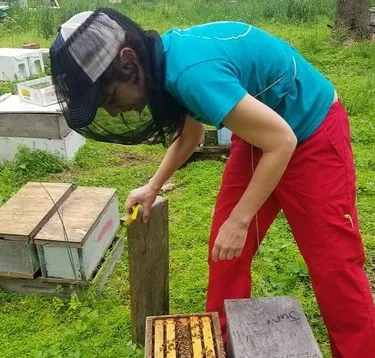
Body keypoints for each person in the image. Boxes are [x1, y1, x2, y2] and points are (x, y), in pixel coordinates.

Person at [50, 8, 375, 357]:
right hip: (261, 136)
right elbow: (192, 133)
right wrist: (153, 185)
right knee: (226, 252)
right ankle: (221, 342)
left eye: (110, 96)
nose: (114, 112)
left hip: (311, 133)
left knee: (334, 264)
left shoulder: (191, 73)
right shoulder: (163, 66)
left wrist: (241, 220)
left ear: (129, 61)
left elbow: (282, 143)